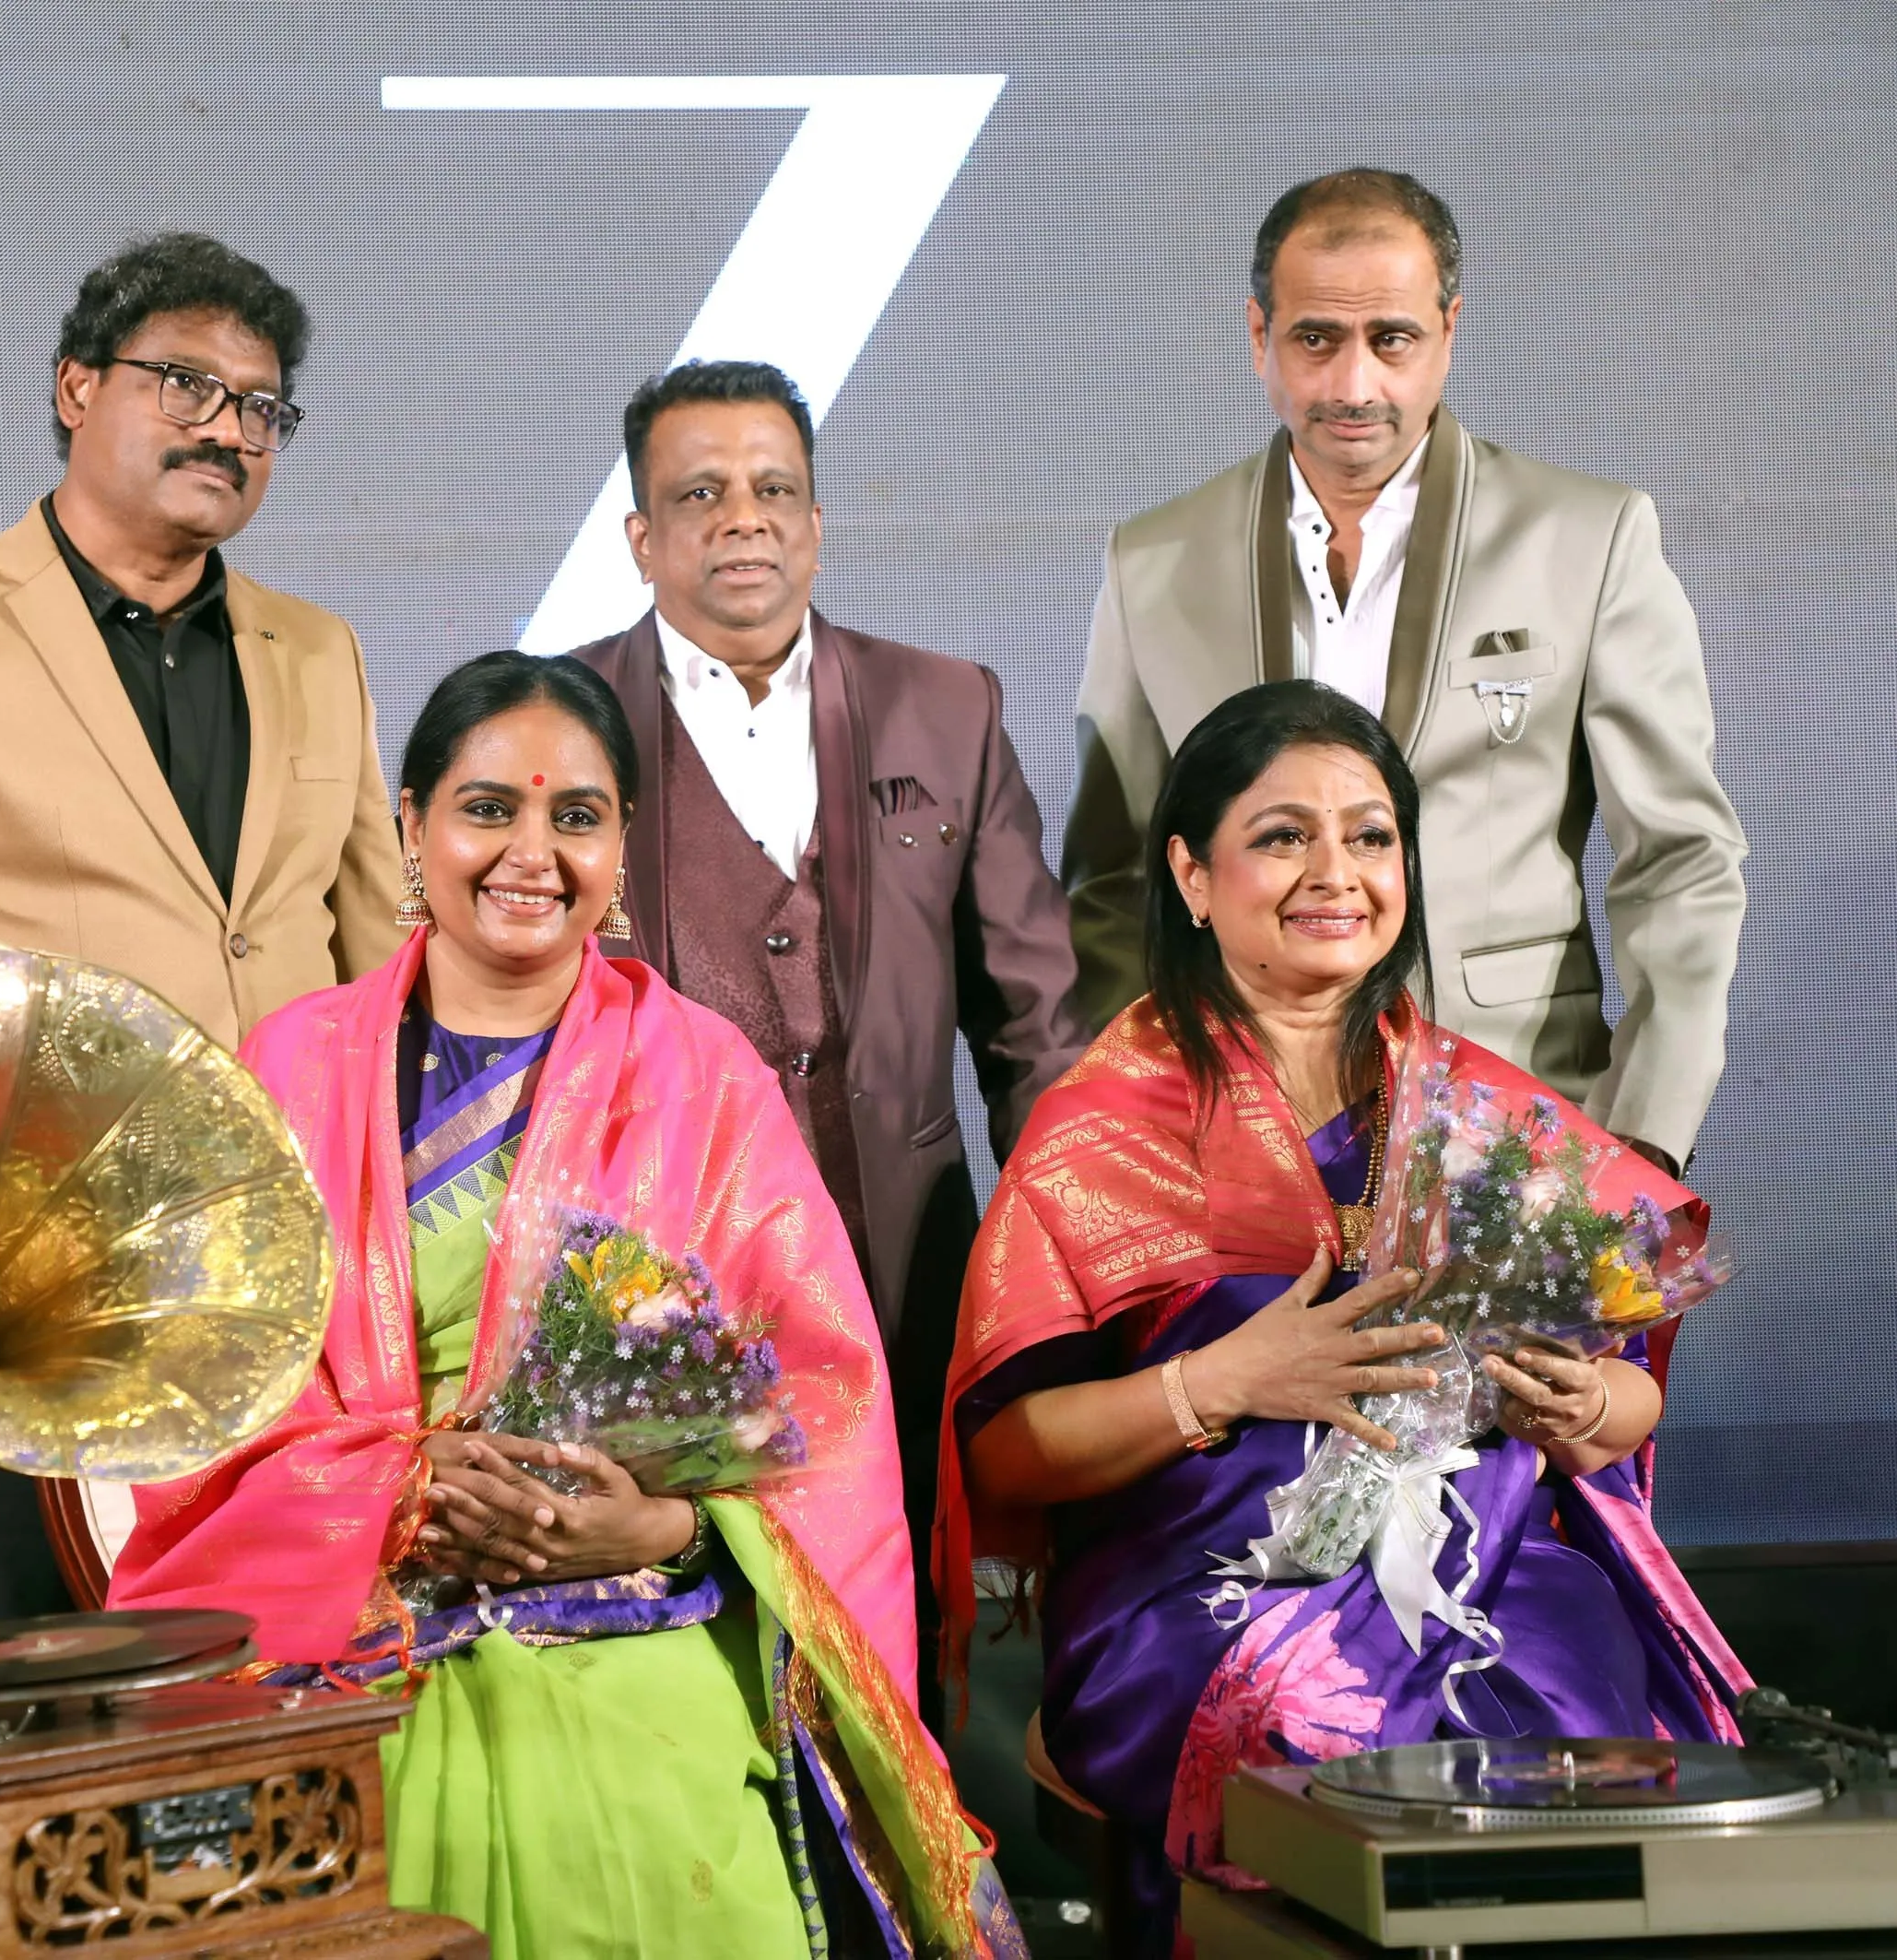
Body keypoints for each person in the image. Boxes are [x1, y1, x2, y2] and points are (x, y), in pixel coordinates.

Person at [110, 653, 1025, 1959]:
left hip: (635, 1605)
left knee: (648, 1800)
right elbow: (196, 1393)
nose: (530, 851)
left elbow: (821, 1405)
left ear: (620, 843)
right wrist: (404, 1490)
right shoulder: (285, 1068)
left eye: (575, 816)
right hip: (352, 1617)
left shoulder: (701, 1076)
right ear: (409, 822)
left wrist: (662, 1524)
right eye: (487, 809)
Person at [939, 681, 1749, 1952]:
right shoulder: (1102, 1126)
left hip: (1488, 1568)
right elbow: (1004, 1448)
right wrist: (1219, 1382)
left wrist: (1583, 1403)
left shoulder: (1487, 1115)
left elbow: (1623, 1399)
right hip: (1194, 1584)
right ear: (1190, 874)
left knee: (1561, 1738)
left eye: (1369, 836)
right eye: (1280, 835)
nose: (1336, 872)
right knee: (1322, 1740)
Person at [0, 231, 403, 1626]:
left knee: (273, 1701)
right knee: (28, 1722)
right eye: (184, 384)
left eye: (258, 406)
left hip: (295, 1299)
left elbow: (383, 963)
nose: (226, 428)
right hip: (32, 1301)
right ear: (73, 387)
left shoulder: (322, 648)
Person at [570, 359, 1089, 1718]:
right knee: (680, 1647)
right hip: (645, 1289)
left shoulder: (944, 705)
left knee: (897, 1642)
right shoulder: (556, 721)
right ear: (641, 537)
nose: (740, 519)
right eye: (698, 493)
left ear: (814, 520)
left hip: (903, 1270)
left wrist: (1061, 1290)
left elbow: (1033, 1029)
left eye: (771, 489)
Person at [1063, 170, 1745, 1176]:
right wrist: (1147, 1119)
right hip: (1239, 1144)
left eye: (1389, 338)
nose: (1351, 385)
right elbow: (1111, 881)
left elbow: (1679, 859)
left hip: (1518, 1120)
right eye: (1314, 339)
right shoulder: (1152, 560)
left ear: (1446, 331)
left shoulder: (1587, 538)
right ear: (1258, 336)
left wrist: (1640, 1135)